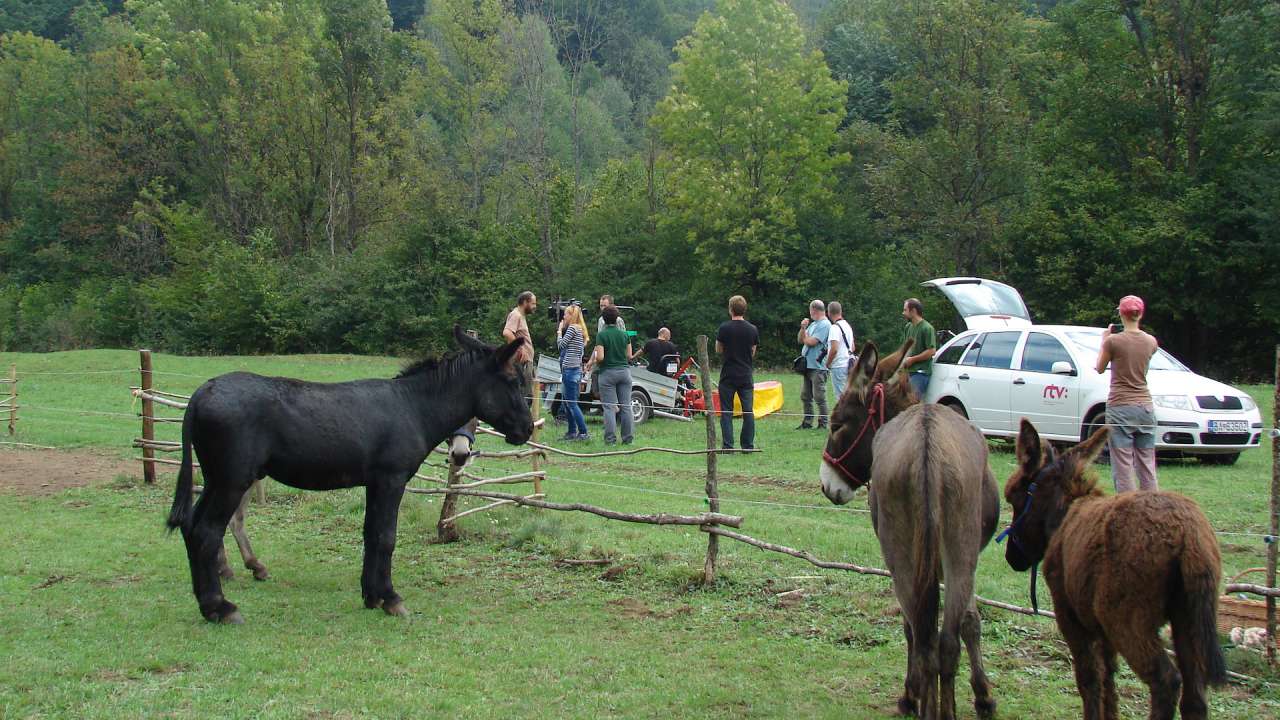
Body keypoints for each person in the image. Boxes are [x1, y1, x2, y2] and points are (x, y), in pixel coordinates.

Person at [1096, 294, 1160, 493]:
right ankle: (1152, 503)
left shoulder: (1113, 341)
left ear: (1121, 315)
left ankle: (1127, 506)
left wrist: (1104, 340)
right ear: (1140, 315)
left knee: (1123, 463)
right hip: (1145, 408)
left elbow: (1099, 368)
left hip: (1120, 406)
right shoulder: (1151, 341)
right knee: (1146, 461)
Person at [716, 295, 759, 450]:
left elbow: (718, 349)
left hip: (728, 374)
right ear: (744, 309)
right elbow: (753, 351)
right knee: (748, 411)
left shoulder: (724, 328)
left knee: (726, 411)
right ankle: (747, 445)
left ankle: (728, 446)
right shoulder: (752, 329)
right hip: (746, 374)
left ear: (730, 309)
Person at [593, 305, 633, 445]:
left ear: (603, 319)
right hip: (624, 372)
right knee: (626, 406)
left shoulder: (601, 335)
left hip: (608, 373)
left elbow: (601, 357)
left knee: (609, 407)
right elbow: (629, 355)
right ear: (617, 319)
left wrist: (596, 359)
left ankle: (610, 440)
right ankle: (628, 439)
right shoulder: (625, 334)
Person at [556, 304, 590, 441]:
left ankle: (583, 432)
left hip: (569, 370)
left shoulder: (571, 328)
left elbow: (561, 345)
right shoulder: (581, 330)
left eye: (565, 314)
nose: (564, 317)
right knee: (568, 402)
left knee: (571, 404)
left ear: (571, 315)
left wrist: (559, 332)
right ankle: (571, 432)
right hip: (575, 369)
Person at [796, 299, 831, 430]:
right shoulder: (813, 324)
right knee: (805, 396)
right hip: (808, 366)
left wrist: (805, 336)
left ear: (814, 310)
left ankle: (823, 423)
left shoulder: (825, 325)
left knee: (819, 396)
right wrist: (803, 328)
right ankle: (807, 421)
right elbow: (801, 340)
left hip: (818, 366)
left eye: (810, 310)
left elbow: (812, 342)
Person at [901, 298, 936, 399]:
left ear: (913, 311)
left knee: (912, 402)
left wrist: (912, 359)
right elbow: (905, 349)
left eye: (905, 310)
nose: (903, 313)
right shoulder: (908, 327)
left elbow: (931, 351)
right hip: (908, 372)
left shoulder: (927, 328)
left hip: (920, 373)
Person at [826, 301, 855, 398]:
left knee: (841, 398)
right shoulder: (847, 325)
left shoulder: (834, 328)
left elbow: (834, 349)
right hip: (849, 364)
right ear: (841, 311)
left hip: (838, 366)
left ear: (829, 313)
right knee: (848, 395)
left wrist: (828, 363)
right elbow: (853, 347)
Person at [503, 291, 537, 369]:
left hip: (525, 362)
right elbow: (507, 333)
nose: (535, 306)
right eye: (533, 303)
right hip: (521, 363)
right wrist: (520, 349)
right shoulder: (516, 315)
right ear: (525, 302)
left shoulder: (521, 316)